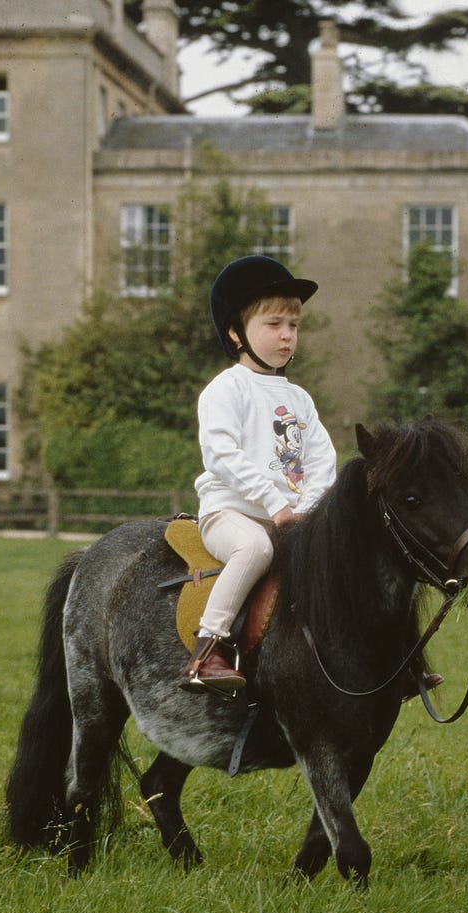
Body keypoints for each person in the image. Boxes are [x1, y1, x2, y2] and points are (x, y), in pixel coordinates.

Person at [182, 255, 338, 694]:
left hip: (290, 519)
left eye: (294, 326)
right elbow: (221, 454)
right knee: (253, 549)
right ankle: (207, 649)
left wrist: (304, 512)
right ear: (236, 332)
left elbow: (323, 463)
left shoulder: (300, 399)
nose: (287, 336)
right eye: (274, 325)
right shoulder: (225, 389)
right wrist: (275, 504)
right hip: (231, 514)